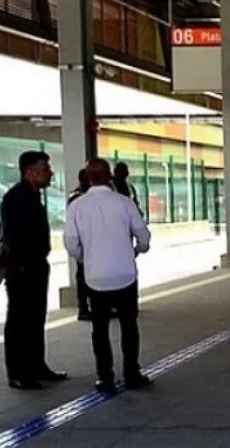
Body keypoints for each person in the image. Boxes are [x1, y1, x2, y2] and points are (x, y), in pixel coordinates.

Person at [64, 158, 152, 393]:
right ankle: (132, 373)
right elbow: (142, 234)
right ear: (110, 176)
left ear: (88, 177)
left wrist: (85, 258)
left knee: (99, 330)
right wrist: (138, 250)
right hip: (125, 274)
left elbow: (71, 243)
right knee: (129, 326)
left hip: (95, 277)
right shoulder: (124, 203)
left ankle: (105, 377)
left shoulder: (77, 206)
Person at [0, 150, 68, 390]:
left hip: (36, 267)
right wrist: (21, 264)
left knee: (36, 318)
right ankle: (17, 373)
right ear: (29, 171)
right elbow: (14, 237)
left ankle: (37, 366)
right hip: (21, 270)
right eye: (45, 169)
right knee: (19, 320)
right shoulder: (15, 198)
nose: (50, 173)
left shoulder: (32, 196)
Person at [67, 168, 93, 321]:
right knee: (82, 277)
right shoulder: (76, 197)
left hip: (92, 242)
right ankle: (83, 308)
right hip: (83, 243)